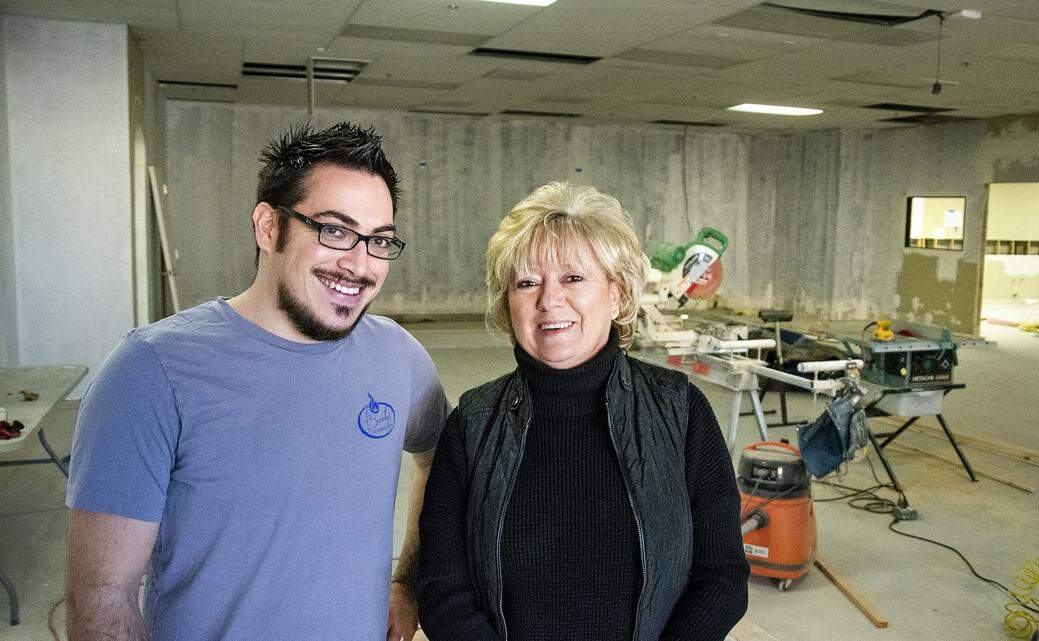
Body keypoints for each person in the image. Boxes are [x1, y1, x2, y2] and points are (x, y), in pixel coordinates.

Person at [65, 122, 448, 641]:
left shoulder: (398, 357)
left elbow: (437, 460)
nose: (359, 264)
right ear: (269, 227)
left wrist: (407, 581)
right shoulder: (151, 370)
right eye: (335, 231)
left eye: (378, 240)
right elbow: (101, 600)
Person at [417, 182, 749, 641]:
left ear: (617, 295)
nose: (549, 300)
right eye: (527, 283)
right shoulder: (472, 425)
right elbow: (442, 592)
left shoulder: (680, 411)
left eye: (573, 278)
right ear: (507, 304)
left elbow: (722, 576)